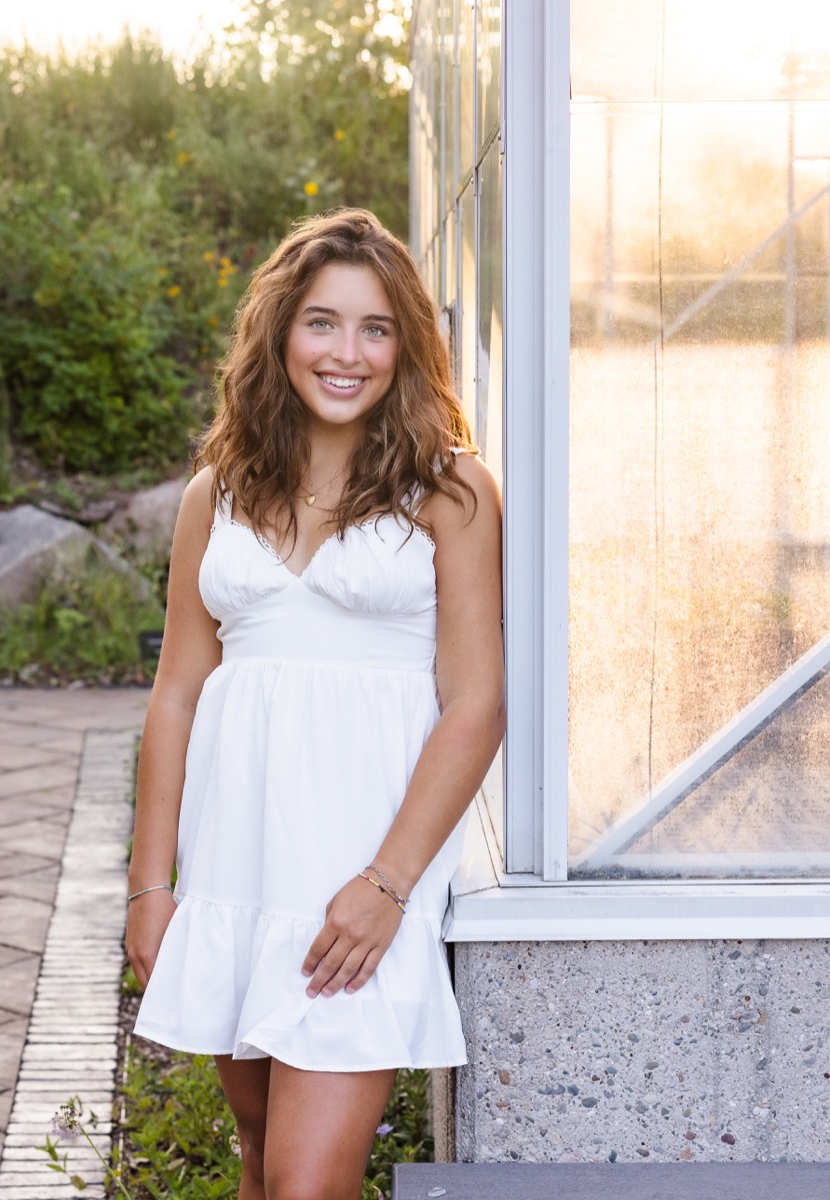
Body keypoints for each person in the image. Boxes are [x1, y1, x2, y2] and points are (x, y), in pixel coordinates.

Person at [124, 208, 505, 1199]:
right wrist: (151, 887)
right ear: (281, 332)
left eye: (376, 328)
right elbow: (177, 694)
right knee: (260, 1158)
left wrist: (387, 885)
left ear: (407, 347)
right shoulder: (216, 494)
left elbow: (476, 705)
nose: (347, 353)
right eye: (323, 323)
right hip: (236, 866)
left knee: (305, 1183)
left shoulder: (451, 493)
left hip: (360, 875)